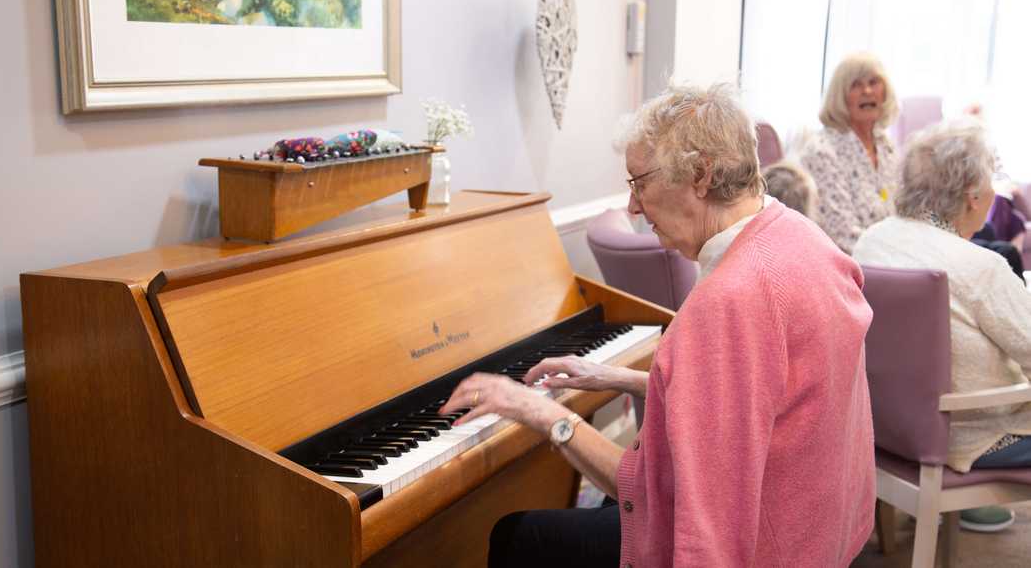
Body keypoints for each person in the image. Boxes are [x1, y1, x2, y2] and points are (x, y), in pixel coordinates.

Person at [440, 84, 877, 567]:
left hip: (765, 547)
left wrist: (542, 414)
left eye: (639, 182)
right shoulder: (800, 236)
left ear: (702, 174)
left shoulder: (729, 301)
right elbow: (751, 397)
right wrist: (619, 377)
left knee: (519, 535)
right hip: (819, 527)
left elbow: (652, 495)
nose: (632, 207)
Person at [853, 119, 1031, 532]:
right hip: (970, 435)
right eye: (992, 180)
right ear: (972, 196)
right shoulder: (980, 267)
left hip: (889, 427)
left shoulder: (872, 240)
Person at [800, 52, 899, 253]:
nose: (867, 91)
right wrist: (900, 258)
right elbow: (841, 235)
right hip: (851, 268)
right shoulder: (822, 151)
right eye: (856, 85)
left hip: (891, 261)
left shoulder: (886, 146)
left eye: (874, 82)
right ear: (840, 96)